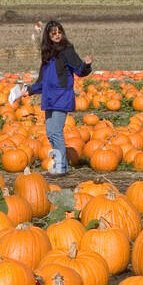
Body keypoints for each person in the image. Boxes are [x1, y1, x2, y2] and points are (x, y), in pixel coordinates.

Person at [20, 20, 92, 176]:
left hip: (61, 96)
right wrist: (30, 90)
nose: (57, 35)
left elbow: (79, 69)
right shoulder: (47, 54)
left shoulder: (67, 50)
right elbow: (42, 80)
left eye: (59, 32)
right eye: (53, 33)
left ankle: (61, 168)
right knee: (50, 132)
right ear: (48, 35)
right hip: (49, 98)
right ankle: (61, 164)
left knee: (56, 132)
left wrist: (86, 65)